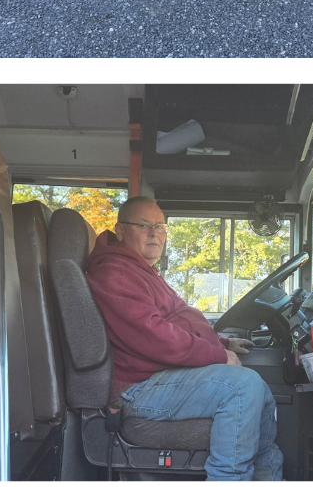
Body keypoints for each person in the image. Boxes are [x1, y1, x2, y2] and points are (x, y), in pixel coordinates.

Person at [86, 196, 284, 481]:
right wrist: (217, 354)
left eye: (160, 226)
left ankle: (268, 480)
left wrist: (222, 343)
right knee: (242, 387)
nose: (155, 234)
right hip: (139, 389)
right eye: (143, 225)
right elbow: (153, 336)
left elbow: (177, 319)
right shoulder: (115, 272)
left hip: (161, 376)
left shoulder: (142, 270)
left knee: (259, 389)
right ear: (120, 231)